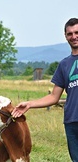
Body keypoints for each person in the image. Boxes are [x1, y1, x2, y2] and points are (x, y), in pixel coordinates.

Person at [12, 17, 78, 162]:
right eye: (70, 33)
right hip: (72, 122)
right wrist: (30, 104)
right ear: (65, 36)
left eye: (77, 32)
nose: (74, 36)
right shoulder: (64, 65)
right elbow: (54, 97)